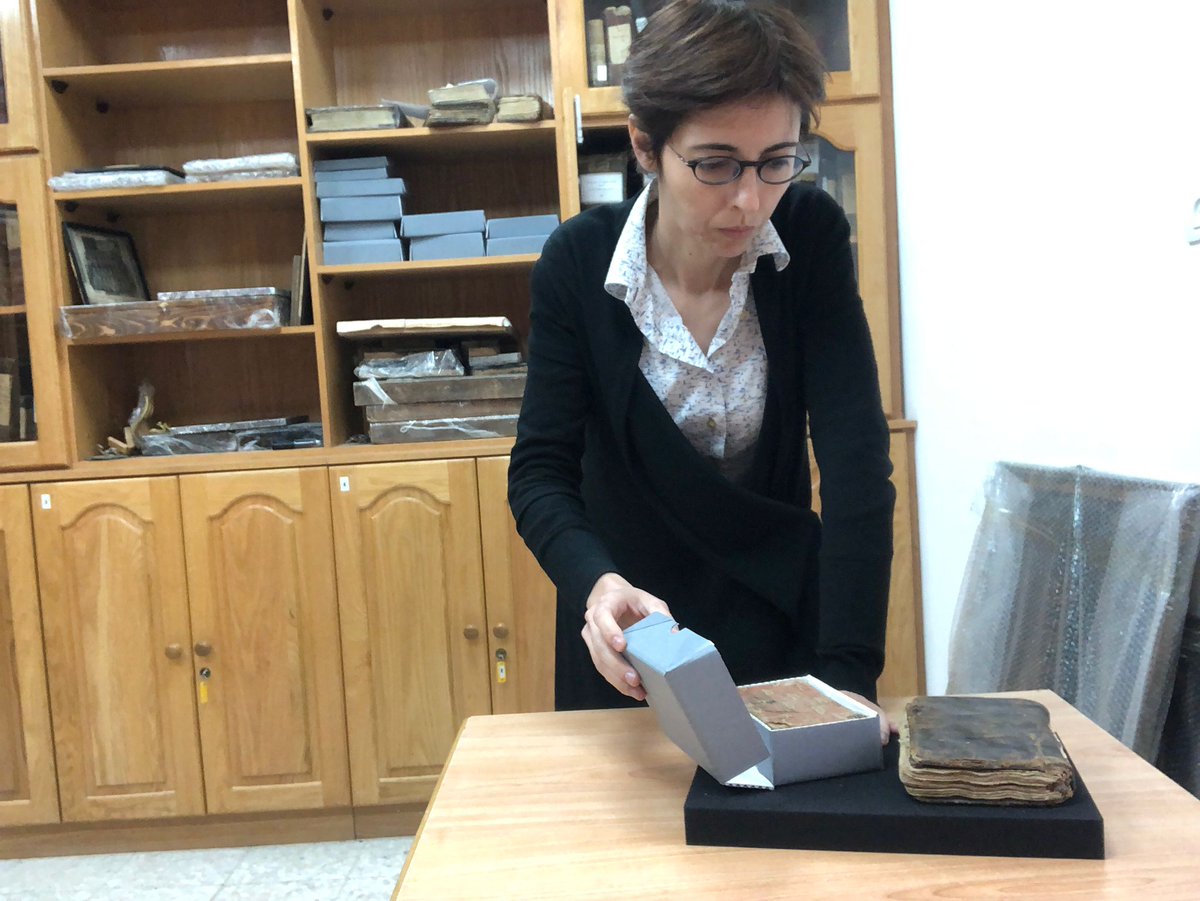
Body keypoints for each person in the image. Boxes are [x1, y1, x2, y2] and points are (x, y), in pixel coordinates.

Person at [508, 0, 896, 740]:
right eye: (715, 164)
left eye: (777, 161)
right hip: (636, 636)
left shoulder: (808, 236)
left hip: (782, 621)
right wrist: (594, 584)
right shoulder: (576, 266)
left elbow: (856, 466)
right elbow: (540, 471)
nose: (751, 200)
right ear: (647, 147)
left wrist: (847, 677)